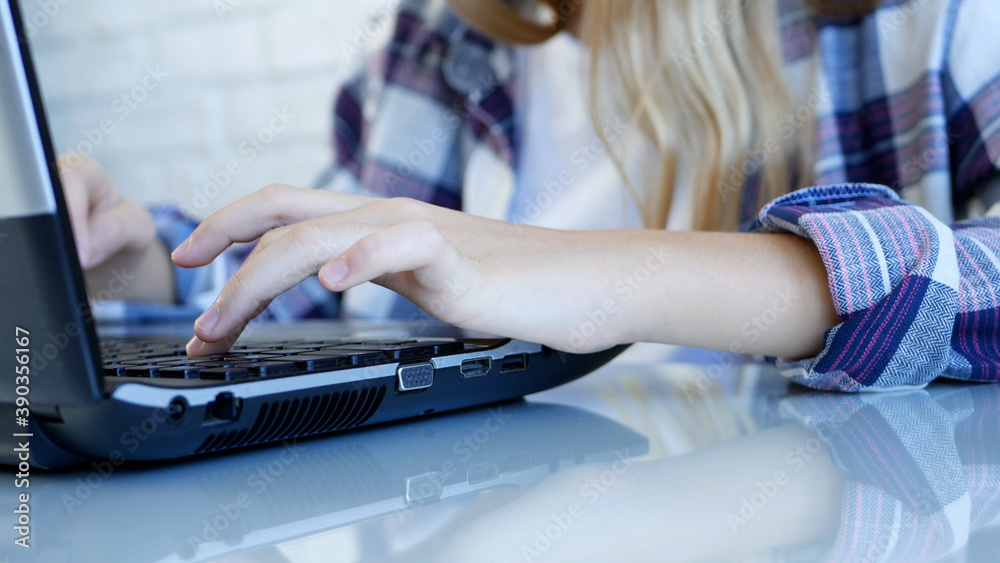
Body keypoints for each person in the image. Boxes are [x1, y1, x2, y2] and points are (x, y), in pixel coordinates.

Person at [60, 0, 1000, 391]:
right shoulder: (446, 34)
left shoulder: (927, 26)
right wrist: (126, 258)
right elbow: (326, 287)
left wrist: (604, 278)